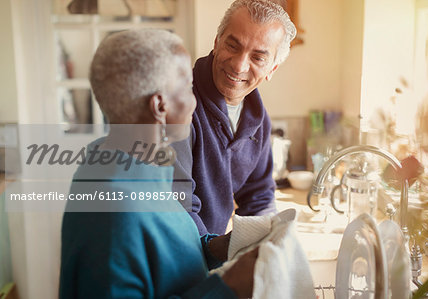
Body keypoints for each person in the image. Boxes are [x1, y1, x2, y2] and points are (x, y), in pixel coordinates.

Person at [59, 29, 258, 299]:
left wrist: (218, 247)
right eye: (188, 88)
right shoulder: (115, 210)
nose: (194, 101)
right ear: (160, 106)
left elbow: (164, 255)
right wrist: (227, 289)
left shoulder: (140, 168)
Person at [180, 0, 297, 235]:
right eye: (233, 46)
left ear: (271, 69)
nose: (239, 65)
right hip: (175, 257)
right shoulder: (178, 106)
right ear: (216, 42)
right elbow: (178, 206)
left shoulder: (257, 119)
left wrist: (265, 239)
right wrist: (215, 252)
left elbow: (259, 195)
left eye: (258, 58)